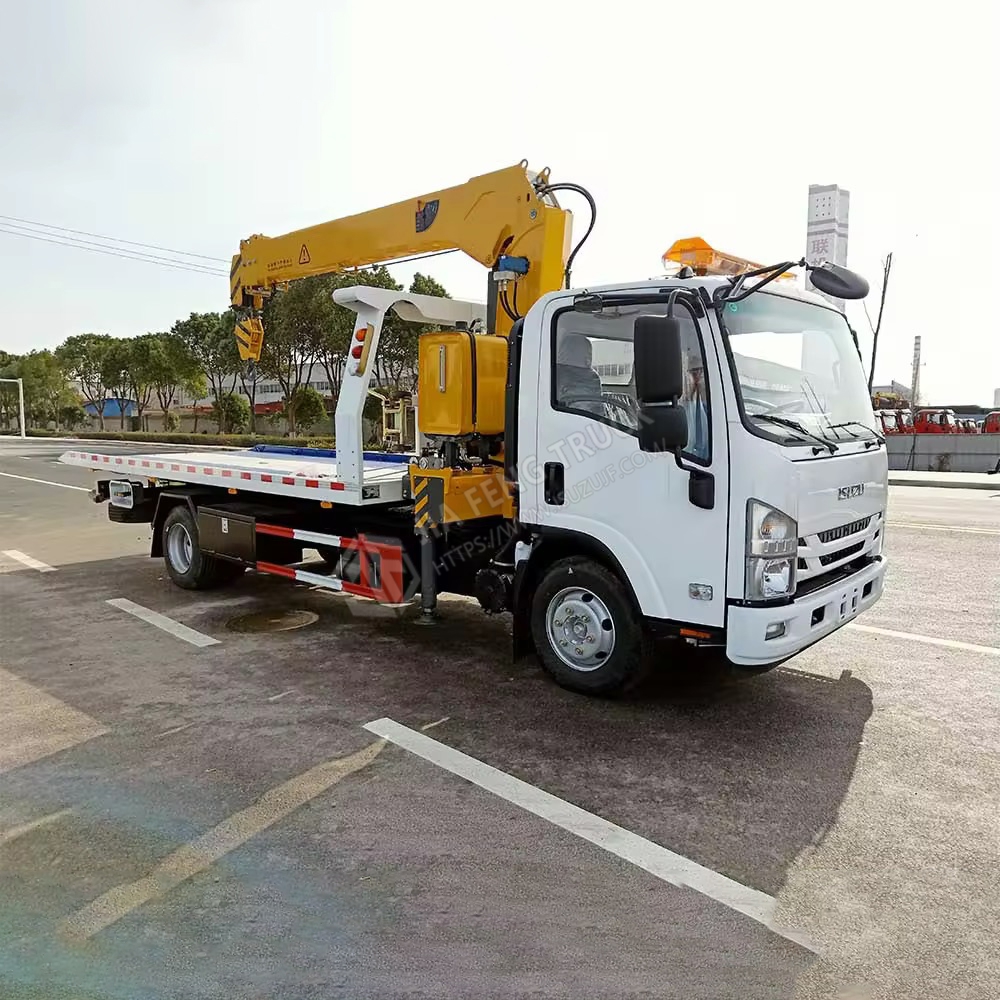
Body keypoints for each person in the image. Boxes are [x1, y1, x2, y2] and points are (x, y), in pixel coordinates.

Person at [555, 333, 605, 417]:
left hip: (591, 419)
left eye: (589, 352)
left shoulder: (593, 376)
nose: (589, 355)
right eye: (586, 352)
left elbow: (598, 405)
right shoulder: (557, 373)